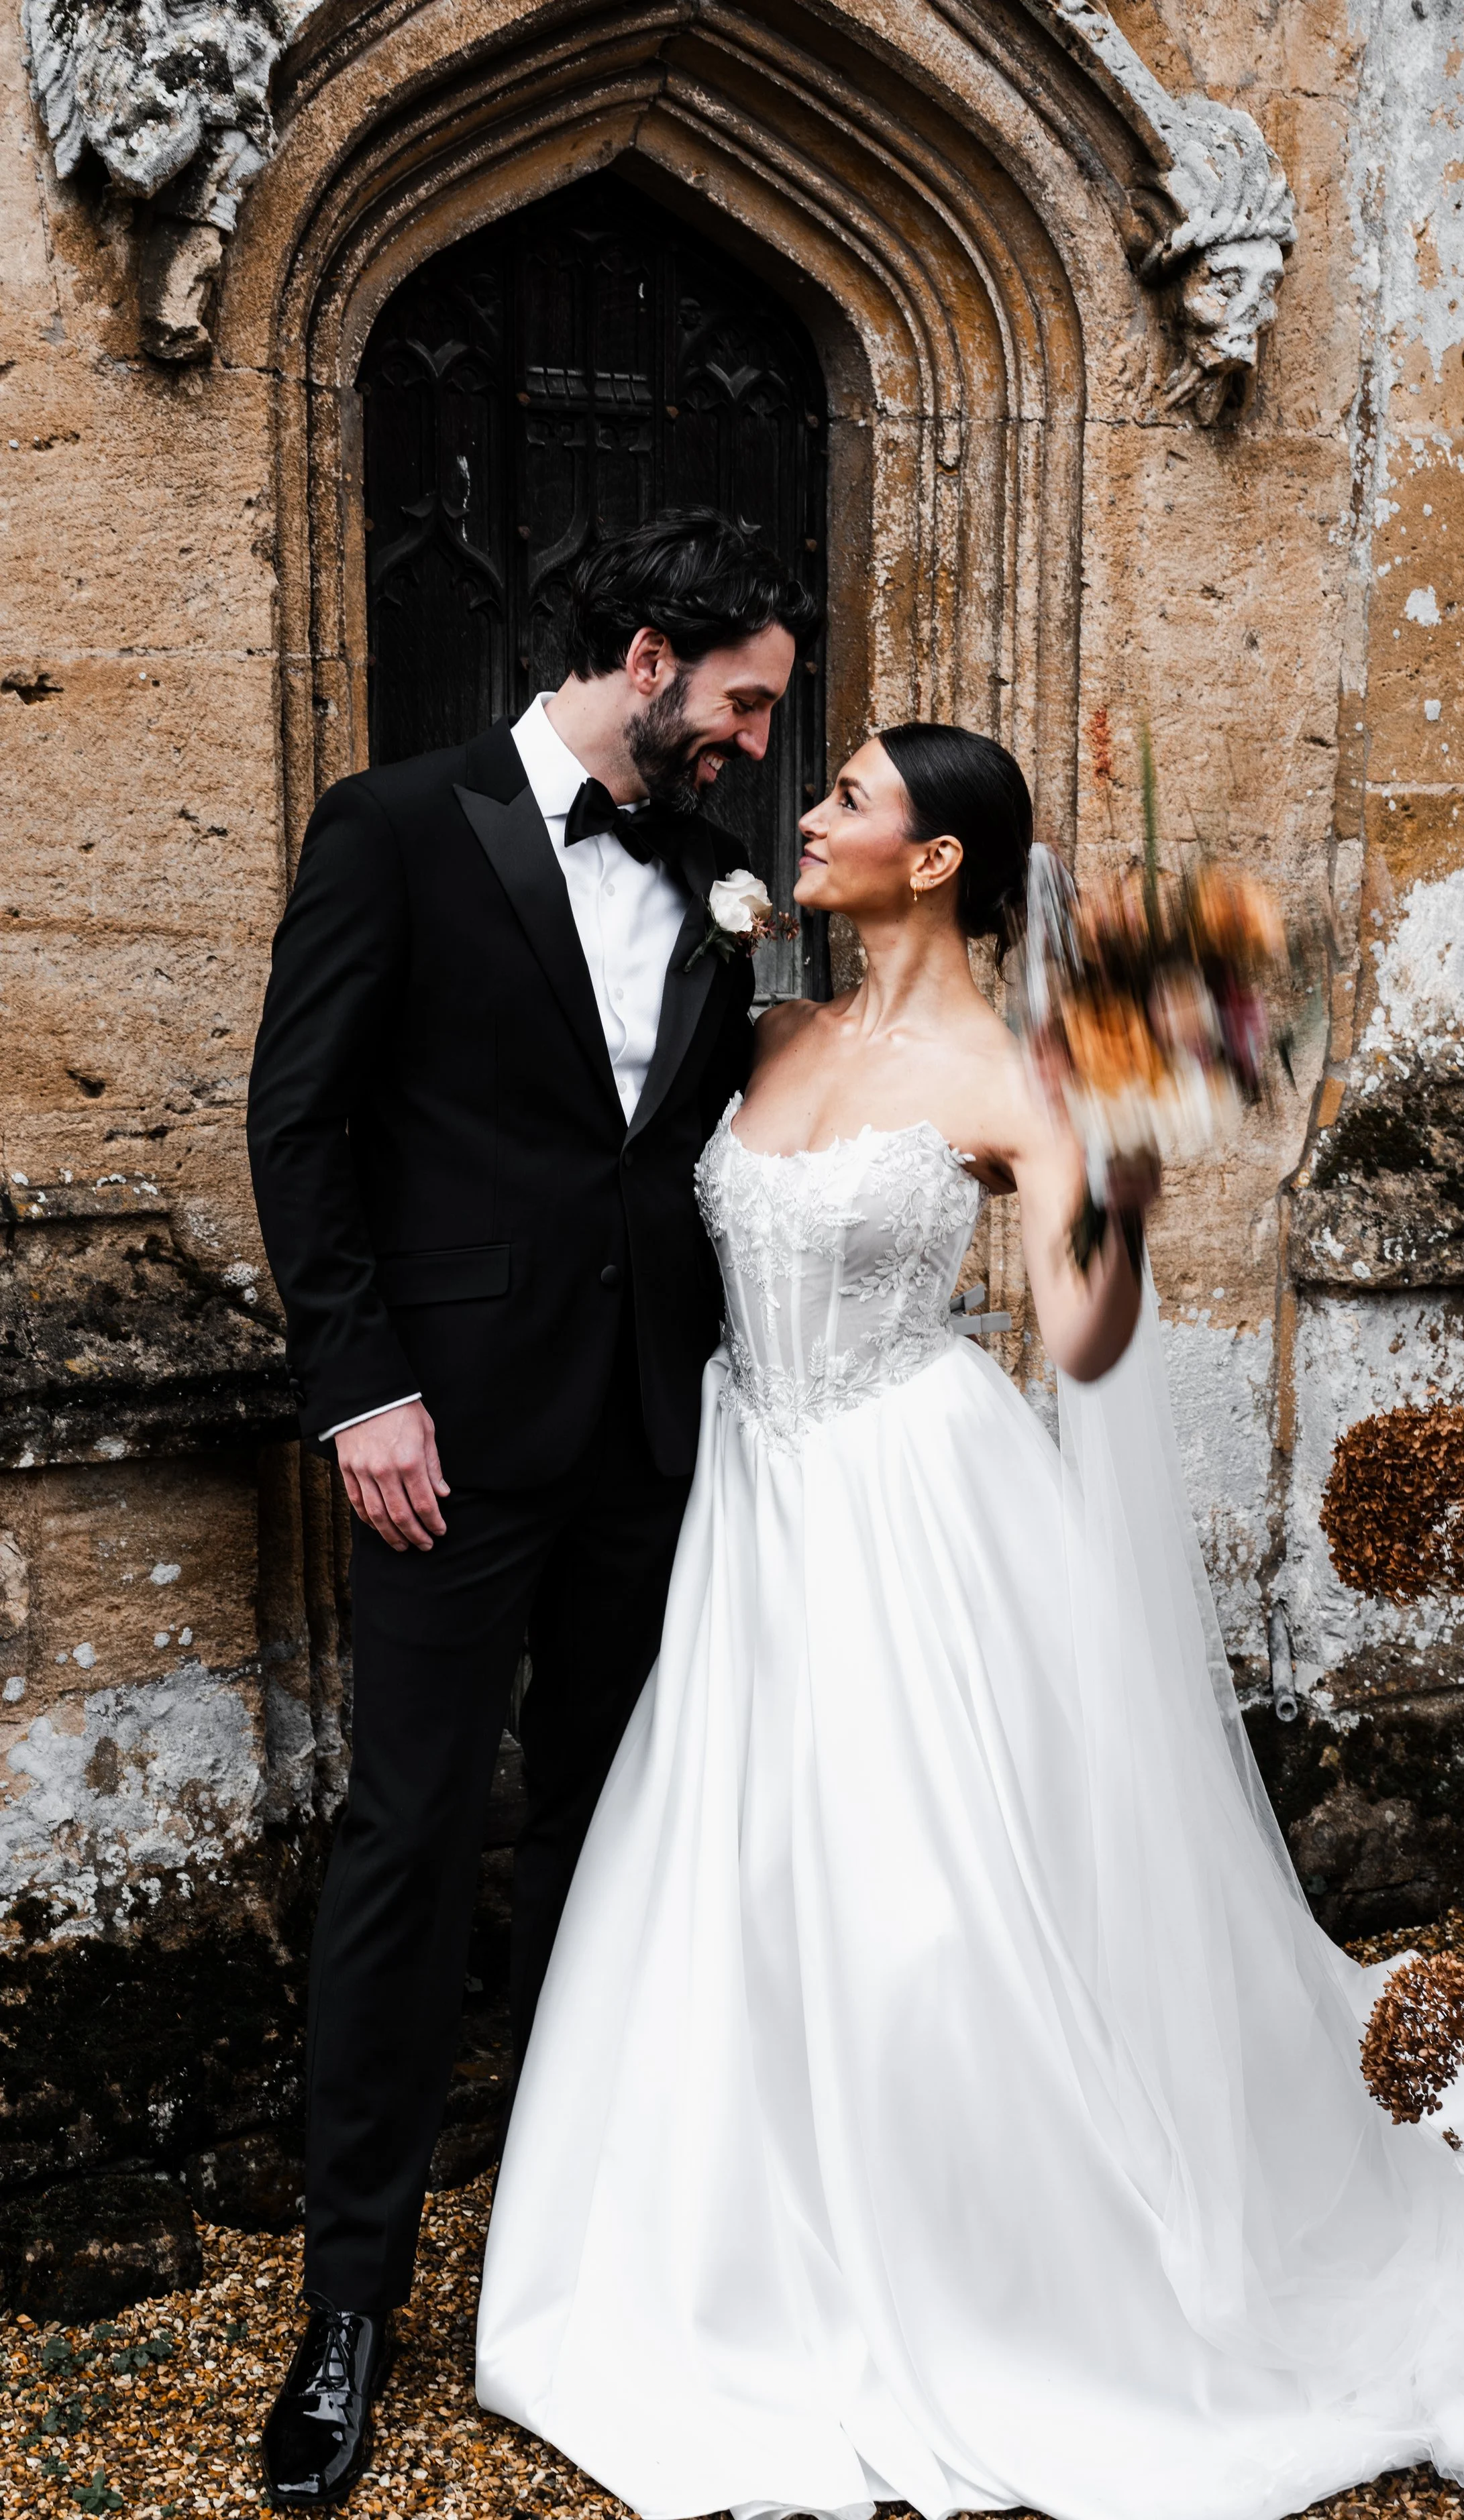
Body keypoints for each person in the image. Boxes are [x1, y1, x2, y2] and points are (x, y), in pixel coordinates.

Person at [476, 721, 1464, 2520]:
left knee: (926, 1914)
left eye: (851, 797)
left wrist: (1118, 1173)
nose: (809, 812)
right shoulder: (775, 1029)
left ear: (940, 856)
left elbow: (1083, 1336)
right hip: (753, 1499)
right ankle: (728, 2245)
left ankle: (983, 2258)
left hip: (905, 1501)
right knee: (739, 1873)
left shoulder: (1015, 1080)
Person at [245, 508, 821, 2507]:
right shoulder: (397, 824)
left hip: (654, 1439)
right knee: (408, 1840)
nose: (757, 744)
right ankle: (350, 2300)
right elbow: (299, 1120)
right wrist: (364, 1390)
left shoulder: (719, 877)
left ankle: (571, 2248)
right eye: (743, 702)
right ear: (649, 656)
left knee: (608, 1834)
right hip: (443, 1439)